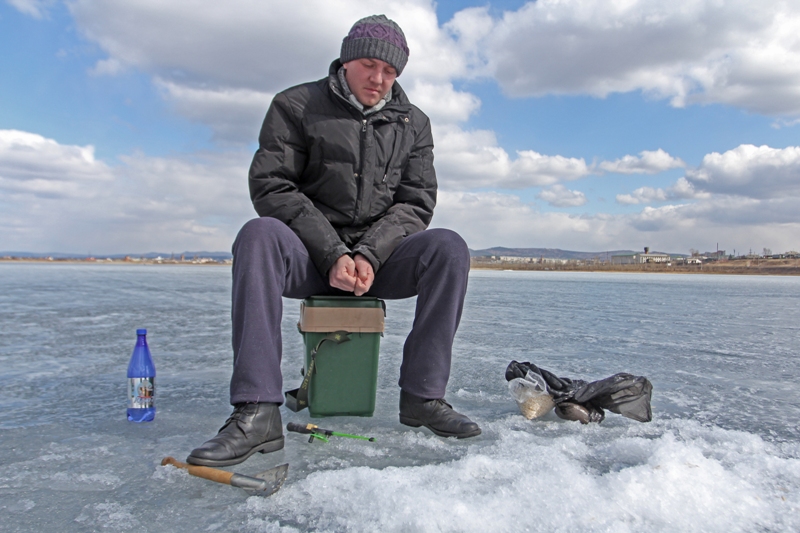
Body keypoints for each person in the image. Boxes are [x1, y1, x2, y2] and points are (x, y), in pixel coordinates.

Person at [187, 14, 480, 467]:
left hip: (377, 264)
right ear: (346, 59)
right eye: (369, 65)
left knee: (449, 248)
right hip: (309, 257)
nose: (379, 80)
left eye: (391, 72)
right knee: (258, 235)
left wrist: (367, 253)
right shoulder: (295, 105)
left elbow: (416, 202)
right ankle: (258, 409)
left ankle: (422, 397)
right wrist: (332, 253)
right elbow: (273, 186)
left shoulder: (414, 123)